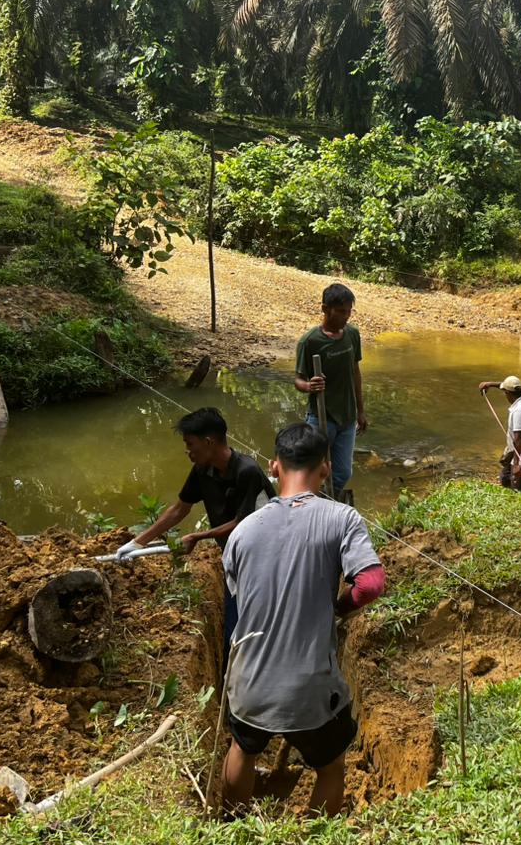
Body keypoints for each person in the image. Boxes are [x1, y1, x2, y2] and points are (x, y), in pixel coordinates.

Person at [220, 422, 385, 817]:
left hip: (249, 683)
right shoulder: (341, 518)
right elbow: (372, 584)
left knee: (242, 748)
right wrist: (338, 608)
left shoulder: (243, 532)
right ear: (325, 468)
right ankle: (316, 831)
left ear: (274, 467)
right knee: (330, 765)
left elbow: (242, 596)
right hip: (310, 690)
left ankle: (234, 826)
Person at [116, 408, 274, 646]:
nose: (187, 451)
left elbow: (245, 523)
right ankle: (233, 671)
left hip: (267, 556)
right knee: (234, 628)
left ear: (209, 441)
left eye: (190, 444)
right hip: (235, 556)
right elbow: (180, 508)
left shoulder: (246, 471)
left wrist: (197, 536)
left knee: (262, 622)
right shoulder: (203, 470)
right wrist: (138, 542)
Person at [295, 283, 367, 497]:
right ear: (325, 309)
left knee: (342, 472)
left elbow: (356, 373)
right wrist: (310, 386)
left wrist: (360, 411)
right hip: (321, 415)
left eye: (348, 312)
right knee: (313, 470)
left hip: (347, 417)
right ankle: (309, 505)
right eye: (340, 311)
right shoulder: (310, 342)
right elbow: (298, 380)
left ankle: (327, 506)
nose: (345, 317)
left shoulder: (352, 334)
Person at [477, 375, 521, 492]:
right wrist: (490, 384)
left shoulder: (519, 411)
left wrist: (516, 465)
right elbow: (506, 386)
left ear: (508, 393)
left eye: (505, 392)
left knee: (519, 488)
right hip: (517, 450)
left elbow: (518, 438)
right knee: (505, 479)